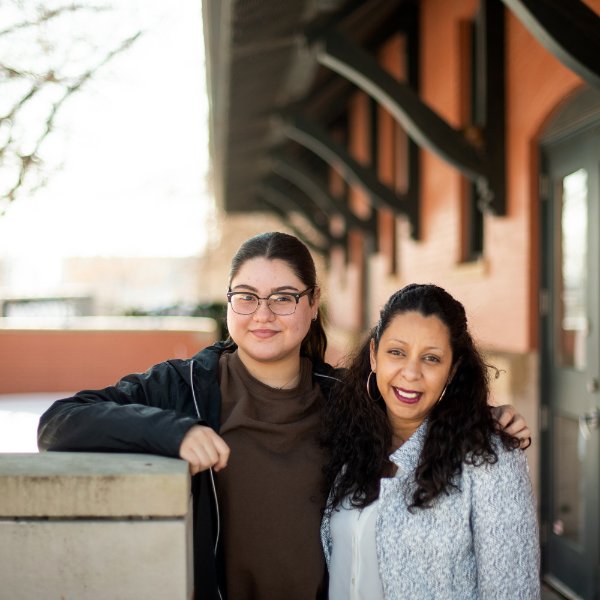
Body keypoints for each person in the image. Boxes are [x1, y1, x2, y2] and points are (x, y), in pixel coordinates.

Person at [38, 233, 531, 600]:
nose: (263, 314)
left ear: (313, 304)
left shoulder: (344, 400)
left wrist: (489, 420)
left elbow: (415, 400)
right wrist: (174, 431)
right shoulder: (185, 388)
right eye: (247, 296)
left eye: (284, 298)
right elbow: (61, 422)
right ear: (229, 302)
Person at [320, 283, 540, 599]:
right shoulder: (350, 436)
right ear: (373, 355)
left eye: (432, 358)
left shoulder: (488, 457)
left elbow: (512, 591)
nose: (411, 372)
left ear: (452, 370)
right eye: (396, 352)